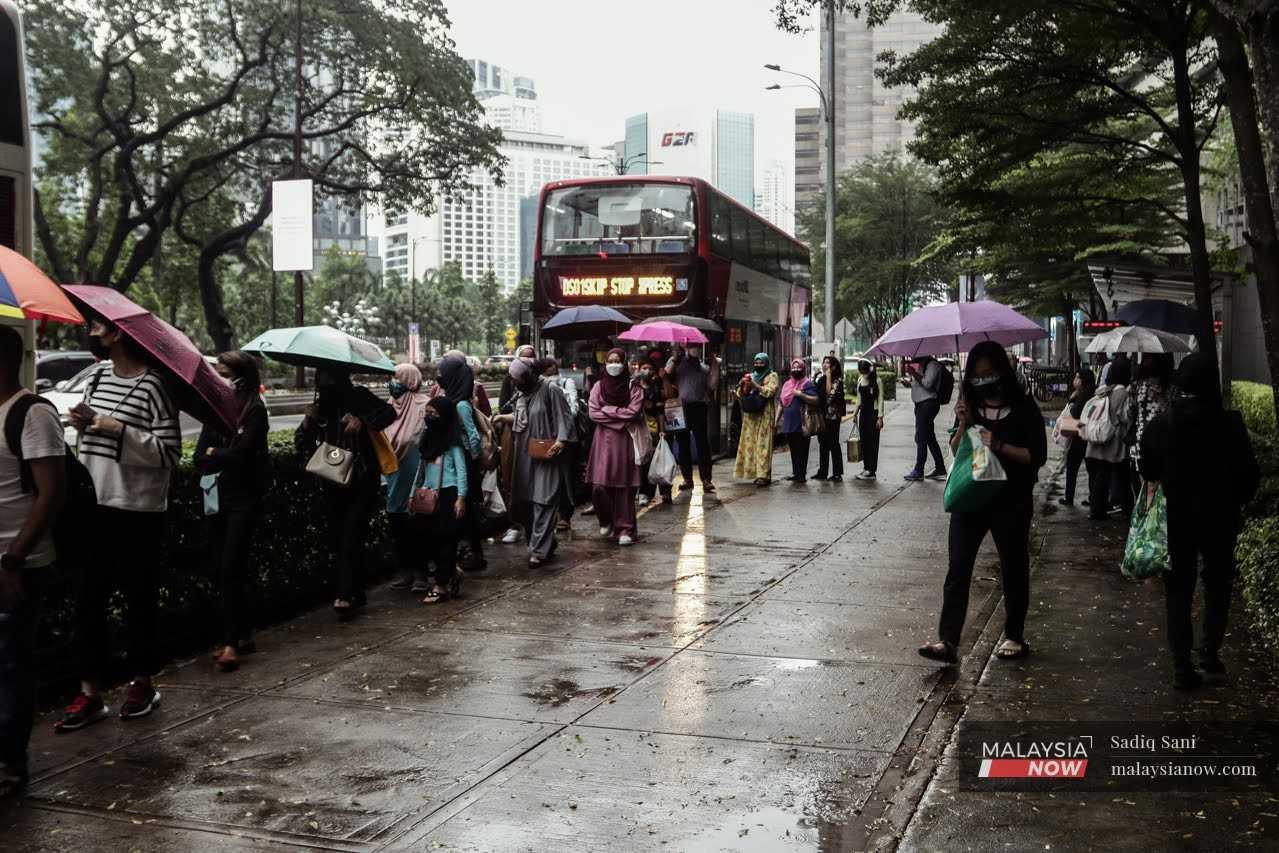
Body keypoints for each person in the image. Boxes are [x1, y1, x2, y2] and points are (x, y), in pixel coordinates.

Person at [57, 318, 181, 731]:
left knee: (137, 602)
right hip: (92, 505)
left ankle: (142, 683)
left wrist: (116, 427)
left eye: (98, 327)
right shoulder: (96, 377)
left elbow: (168, 452)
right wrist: (84, 424)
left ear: (119, 335)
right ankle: (90, 692)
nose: (92, 332)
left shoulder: (153, 386)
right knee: (86, 603)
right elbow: (91, 436)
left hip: (137, 510)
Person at [919, 341, 1047, 665]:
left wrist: (998, 443)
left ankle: (1015, 636)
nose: (982, 381)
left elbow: (1035, 457)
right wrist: (962, 422)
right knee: (958, 569)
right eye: (976, 377)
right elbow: (957, 448)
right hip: (970, 499)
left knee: (1013, 568)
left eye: (988, 374)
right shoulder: (969, 407)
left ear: (1001, 373)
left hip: (1011, 501)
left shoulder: (1024, 409)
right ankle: (947, 640)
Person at [1140, 353, 1258, 689]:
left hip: (1175, 522)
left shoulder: (1161, 424)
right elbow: (1248, 474)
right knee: (1217, 586)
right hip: (1220, 519)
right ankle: (1209, 653)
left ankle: (1181, 667)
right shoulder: (1230, 424)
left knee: (1178, 592)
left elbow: (1148, 471)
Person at [0, 326, 67, 796]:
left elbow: (51, 493)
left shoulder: (32, 413)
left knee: (10, 666)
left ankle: (10, 763)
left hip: (17, 565)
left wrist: (14, 559)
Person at [294, 365, 396, 619]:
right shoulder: (321, 405)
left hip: (361, 478)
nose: (321, 380)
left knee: (352, 532)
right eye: (319, 376)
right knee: (339, 536)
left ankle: (344, 594)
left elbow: (388, 412)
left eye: (326, 375)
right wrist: (309, 421)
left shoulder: (359, 396)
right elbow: (301, 442)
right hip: (332, 478)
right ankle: (355, 589)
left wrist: (361, 420)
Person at [193, 352, 269, 673]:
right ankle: (243, 632)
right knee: (222, 568)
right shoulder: (215, 411)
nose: (221, 379)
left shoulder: (255, 411)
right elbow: (200, 456)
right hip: (215, 497)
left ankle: (230, 643)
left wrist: (218, 453)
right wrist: (219, 453)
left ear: (242, 378)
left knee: (231, 567)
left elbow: (243, 454)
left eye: (226, 374)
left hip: (245, 498)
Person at [498, 358, 574, 566]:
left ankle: (538, 551)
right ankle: (545, 543)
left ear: (528, 375)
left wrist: (561, 440)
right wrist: (503, 418)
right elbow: (523, 419)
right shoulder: (522, 394)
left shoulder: (551, 390)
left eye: (517, 378)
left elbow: (564, 418)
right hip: (523, 454)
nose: (514, 383)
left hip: (546, 454)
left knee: (544, 500)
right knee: (524, 501)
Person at [412, 396, 469, 603]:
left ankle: (440, 585)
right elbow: (420, 470)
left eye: (433, 414)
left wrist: (461, 498)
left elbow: (461, 472)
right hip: (428, 496)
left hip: (448, 494)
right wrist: (412, 495)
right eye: (426, 413)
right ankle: (451, 571)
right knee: (428, 539)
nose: (429, 418)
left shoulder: (452, 443)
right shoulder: (427, 440)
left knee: (446, 539)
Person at [587, 349, 645, 545]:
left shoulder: (633, 387)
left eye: (617, 361)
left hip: (624, 441)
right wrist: (619, 416)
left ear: (625, 363)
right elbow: (593, 413)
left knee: (624, 486)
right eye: (610, 361)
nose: (613, 365)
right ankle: (607, 520)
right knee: (599, 487)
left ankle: (626, 529)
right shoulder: (598, 386)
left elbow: (633, 413)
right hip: (602, 442)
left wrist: (608, 411)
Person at [383, 364, 432, 593]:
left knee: (417, 527)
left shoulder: (424, 406)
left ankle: (421, 574)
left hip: (416, 478)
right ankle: (405, 572)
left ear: (409, 379)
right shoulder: (388, 408)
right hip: (393, 476)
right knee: (398, 526)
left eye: (398, 378)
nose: (394, 382)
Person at [436, 354, 487, 572]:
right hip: (461, 461)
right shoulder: (453, 400)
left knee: (467, 510)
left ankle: (473, 554)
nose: (440, 377)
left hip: (464, 462)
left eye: (444, 373)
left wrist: (472, 460)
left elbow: (473, 437)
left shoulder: (461, 405)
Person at [1083, 357, 1132, 520]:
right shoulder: (1123, 393)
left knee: (1101, 476)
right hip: (1115, 442)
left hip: (1099, 438)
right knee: (1123, 475)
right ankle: (1128, 508)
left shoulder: (1103, 390)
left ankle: (1097, 509)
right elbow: (1126, 417)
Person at [665, 345, 719, 494]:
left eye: (696, 347)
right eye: (691, 347)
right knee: (682, 443)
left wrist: (714, 362)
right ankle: (687, 479)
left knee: (703, 443)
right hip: (680, 407)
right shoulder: (677, 364)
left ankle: (706, 479)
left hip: (699, 407)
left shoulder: (704, 368)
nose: (693, 349)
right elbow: (666, 374)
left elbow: (712, 385)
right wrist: (675, 358)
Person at [1127, 354, 1172, 493]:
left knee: (1154, 485)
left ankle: (1150, 511)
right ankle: (1146, 511)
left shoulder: (1168, 387)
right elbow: (1130, 412)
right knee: (1144, 485)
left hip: (1155, 439)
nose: (1146, 362)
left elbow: (1171, 411)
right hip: (1144, 438)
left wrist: (1160, 398)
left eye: (1149, 359)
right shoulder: (1138, 385)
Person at [733, 353, 779, 486]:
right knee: (750, 445)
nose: (758, 365)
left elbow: (770, 391)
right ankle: (754, 473)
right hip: (751, 417)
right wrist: (743, 386)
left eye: (761, 363)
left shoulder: (772, 376)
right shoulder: (751, 376)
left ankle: (764, 475)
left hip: (765, 415)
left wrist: (756, 386)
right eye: (756, 362)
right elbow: (740, 394)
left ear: (767, 363)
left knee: (763, 444)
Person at [637, 357, 674, 506]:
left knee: (658, 460)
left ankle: (665, 491)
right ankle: (645, 492)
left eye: (650, 368)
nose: (647, 371)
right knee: (643, 463)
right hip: (638, 430)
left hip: (653, 429)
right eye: (644, 368)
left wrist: (662, 430)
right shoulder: (634, 387)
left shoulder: (656, 387)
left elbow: (660, 411)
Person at [904, 356, 948, 481]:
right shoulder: (923, 365)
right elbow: (919, 384)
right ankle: (940, 468)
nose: (913, 357)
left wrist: (913, 373)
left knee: (921, 437)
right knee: (929, 437)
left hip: (928, 404)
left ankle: (919, 470)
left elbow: (927, 384)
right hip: (921, 404)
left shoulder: (933, 365)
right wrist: (909, 382)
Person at [1057, 366, 1095, 506]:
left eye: (1078, 377)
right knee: (1092, 470)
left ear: (1083, 380)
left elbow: (1074, 413)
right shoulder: (1093, 392)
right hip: (1090, 436)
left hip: (1080, 436)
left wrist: (1072, 399)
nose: (1075, 380)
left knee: (1072, 467)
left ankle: (1069, 497)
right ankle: (1092, 498)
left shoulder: (1083, 395)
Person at [778, 358, 819, 483]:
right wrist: (776, 420)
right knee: (793, 450)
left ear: (803, 368)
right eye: (794, 367)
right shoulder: (786, 384)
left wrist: (800, 394)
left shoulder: (807, 383)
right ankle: (796, 473)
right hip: (789, 423)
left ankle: (801, 474)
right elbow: (781, 403)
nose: (796, 370)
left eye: (798, 367)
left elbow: (816, 400)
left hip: (802, 423)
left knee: (802, 450)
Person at [813, 355, 847, 481]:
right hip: (822, 416)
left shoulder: (837, 381)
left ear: (833, 367)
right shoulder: (821, 379)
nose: (824, 365)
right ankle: (822, 472)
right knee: (823, 444)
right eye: (824, 362)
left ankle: (837, 473)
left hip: (833, 417)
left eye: (828, 363)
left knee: (833, 444)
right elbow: (815, 394)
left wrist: (827, 376)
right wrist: (815, 377)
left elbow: (829, 395)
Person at [851, 358, 885, 480]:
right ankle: (866, 468)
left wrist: (880, 418)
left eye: (865, 371)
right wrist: (855, 413)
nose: (863, 374)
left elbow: (880, 399)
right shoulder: (860, 380)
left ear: (870, 369)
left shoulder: (877, 381)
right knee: (864, 441)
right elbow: (858, 399)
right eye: (861, 371)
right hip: (863, 415)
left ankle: (871, 470)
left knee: (873, 442)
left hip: (874, 414)